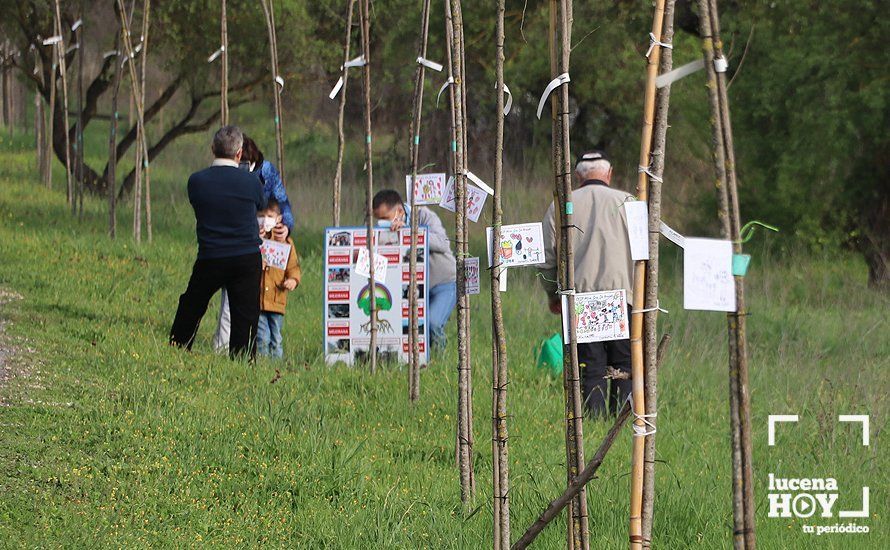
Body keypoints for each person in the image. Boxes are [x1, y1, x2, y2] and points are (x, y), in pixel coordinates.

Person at [540, 150, 634, 416]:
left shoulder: (562, 204)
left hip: (581, 298)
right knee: (624, 365)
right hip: (622, 296)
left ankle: (592, 422)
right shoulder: (627, 201)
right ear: (609, 173)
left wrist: (552, 294)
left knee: (590, 366)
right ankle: (623, 424)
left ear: (578, 176)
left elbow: (547, 256)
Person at [169, 126, 266, 359]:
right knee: (246, 315)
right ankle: (242, 361)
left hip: (211, 255)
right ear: (240, 153)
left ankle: (178, 348)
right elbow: (260, 204)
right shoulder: (252, 182)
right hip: (246, 257)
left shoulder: (197, 181)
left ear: (213, 149)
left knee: (192, 305)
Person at [212, 135, 294, 351]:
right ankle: (225, 347)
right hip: (236, 241)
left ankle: (250, 347)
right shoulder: (225, 172)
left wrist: (285, 226)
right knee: (231, 298)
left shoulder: (267, 172)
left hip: (265, 245)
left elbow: (282, 203)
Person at [372, 190, 456, 350]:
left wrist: (410, 232)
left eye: (385, 219)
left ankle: (440, 361)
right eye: (378, 221)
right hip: (412, 288)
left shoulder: (424, 215)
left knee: (433, 323)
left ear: (400, 212)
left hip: (443, 282)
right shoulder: (382, 231)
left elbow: (443, 243)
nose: (381, 225)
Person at [256, 199, 302, 358]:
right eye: (261, 216)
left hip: (278, 299)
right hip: (259, 300)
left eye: (269, 215)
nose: (264, 219)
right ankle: (262, 365)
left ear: (279, 218)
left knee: (276, 338)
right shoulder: (258, 240)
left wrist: (293, 280)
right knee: (262, 337)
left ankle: (276, 367)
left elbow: (293, 267)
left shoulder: (286, 243)